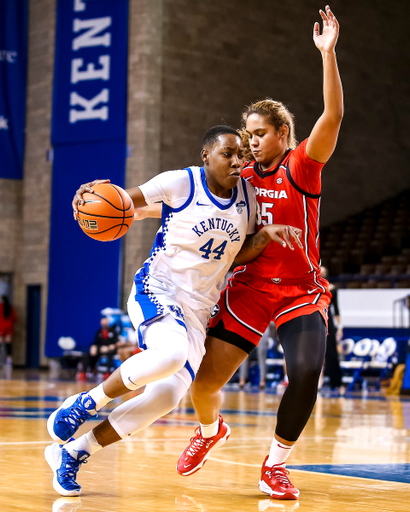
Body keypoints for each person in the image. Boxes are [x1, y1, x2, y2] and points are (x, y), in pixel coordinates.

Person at [44, 125, 302, 497]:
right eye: (227, 153)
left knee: (166, 396)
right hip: (158, 287)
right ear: (206, 156)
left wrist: (261, 238)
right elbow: (122, 201)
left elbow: (233, 255)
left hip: (198, 309)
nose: (236, 161)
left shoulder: (247, 197)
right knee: (172, 353)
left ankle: (72, 452)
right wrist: (89, 195)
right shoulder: (179, 183)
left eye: (240, 155)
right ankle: (87, 402)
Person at [175, 6, 343, 501]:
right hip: (248, 290)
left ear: (282, 134)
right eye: (247, 133)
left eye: (260, 131)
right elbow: (230, 245)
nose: (251, 139)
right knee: (202, 386)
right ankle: (209, 432)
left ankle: (276, 463)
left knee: (308, 370)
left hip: (299, 292)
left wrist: (327, 54)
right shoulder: (240, 180)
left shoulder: (301, 166)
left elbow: (332, 116)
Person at [320, 266, 344, 393]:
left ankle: (336, 381)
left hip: (328, 322)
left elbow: (337, 310)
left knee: (332, 353)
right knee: (317, 354)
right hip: (317, 320)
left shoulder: (333, 289)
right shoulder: (315, 288)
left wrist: (340, 327)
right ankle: (319, 381)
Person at [0, 295, 17, 367]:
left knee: (0, 345)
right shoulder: (10, 307)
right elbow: (15, 318)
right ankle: (9, 363)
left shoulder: (0, 307)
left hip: (1, 327)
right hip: (9, 328)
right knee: (8, 346)